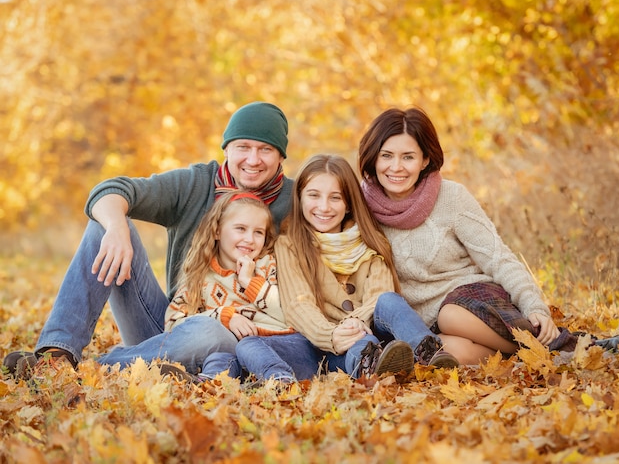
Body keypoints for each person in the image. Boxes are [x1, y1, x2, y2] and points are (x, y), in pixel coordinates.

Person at [3, 101, 294, 380]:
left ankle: (99, 370)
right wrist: (117, 229)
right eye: (243, 147)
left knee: (212, 332)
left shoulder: (297, 202)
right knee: (103, 226)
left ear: (281, 156)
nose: (253, 159)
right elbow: (111, 190)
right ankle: (56, 356)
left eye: (265, 149)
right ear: (227, 149)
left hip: (242, 342)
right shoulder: (194, 184)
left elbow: (335, 221)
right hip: (171, 324)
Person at [357, 106, 582, 365]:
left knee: (450, 316)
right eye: (387, 156)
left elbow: (498, 257)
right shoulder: (362, 209)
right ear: (374, 158)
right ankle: (531, 356)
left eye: (408, 157)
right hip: (425, 325)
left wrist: (534, 306)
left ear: (425, 160)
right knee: (450, 352)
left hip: (473, 302)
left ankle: (552, 349)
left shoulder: (452, 197)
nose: (396, 167)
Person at [236, 154, 459, 384]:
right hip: (324, 343)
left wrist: (355, 323)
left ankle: (428, 353)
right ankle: (365, 368)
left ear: (349, 204)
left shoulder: (369, 240)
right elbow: (298, 303)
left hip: (372, 331)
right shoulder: (290, 244)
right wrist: (331, 335)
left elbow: (377, 296)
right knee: (251, 345)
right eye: (313, 195)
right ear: (300, 197)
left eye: (335, 198)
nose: (324, 207)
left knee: (389, 301)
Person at [94, 191, 295, 379]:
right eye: (240, 229)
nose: (249, 239)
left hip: (269, 346)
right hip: (220, 348)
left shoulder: (268, 265)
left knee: (211, 336)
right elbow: (175, 325)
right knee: (207, 331)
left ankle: (112, 362)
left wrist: (250, 283)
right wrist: (223, 317)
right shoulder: (201, 276)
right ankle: (126, 364)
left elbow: (291, 313)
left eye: (258, 232)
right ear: (217, 231)